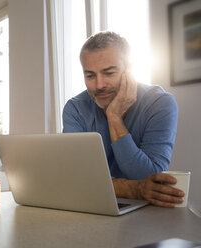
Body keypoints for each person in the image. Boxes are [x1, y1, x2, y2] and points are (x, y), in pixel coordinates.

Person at [62, 31, 184, 207]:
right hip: (92, 206)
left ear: (129, 70)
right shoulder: (75, 108)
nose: (99, 85)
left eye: (109, 73)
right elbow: (75, 178)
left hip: (147, 213)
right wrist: (134, 189)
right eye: (90, 76)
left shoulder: (160, 103)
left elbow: (150, 177)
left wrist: (114, 118)